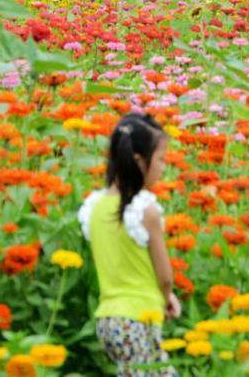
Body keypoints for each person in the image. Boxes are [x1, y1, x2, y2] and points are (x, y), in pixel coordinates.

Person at [78, 114, 179, 377]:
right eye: (160, 159)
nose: (163, 167)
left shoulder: (95, 206)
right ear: (139, 162)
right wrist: (167, 298)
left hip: (107, 320)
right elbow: (165, 277)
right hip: (137, 320)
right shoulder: (145, 210)